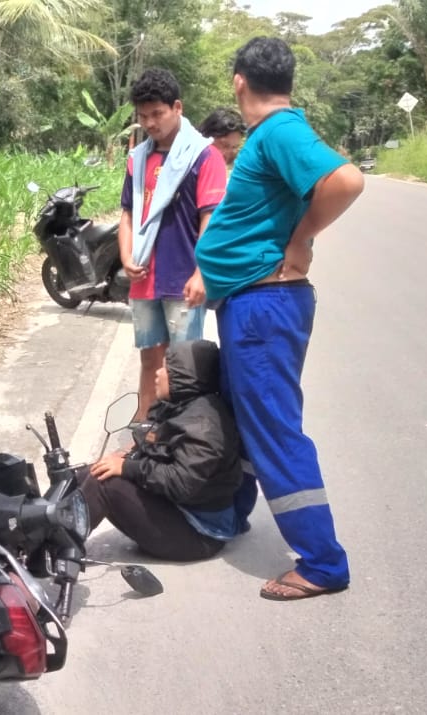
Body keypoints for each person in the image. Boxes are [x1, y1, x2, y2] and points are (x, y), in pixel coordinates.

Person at [192, 37, 366, 602]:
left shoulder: (279, 130)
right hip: (250, 303)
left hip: (264, 306)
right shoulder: (271, 134)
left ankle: (322, 563)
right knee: (247, 419)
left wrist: (301, 238)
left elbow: (347, 180)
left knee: (273, 428)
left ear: (239, 81)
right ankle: (232, 513)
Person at [120, 68, 230, 421]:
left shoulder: (203, 156)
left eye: (157, 114)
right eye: (143, 116)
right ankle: (144, 424)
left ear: (177, 107)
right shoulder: (138, 159)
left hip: (183, 276)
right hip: (144, 276)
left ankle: (176, 431)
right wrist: (125, 256)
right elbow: (128, 213)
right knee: (149, 357)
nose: (150, 123)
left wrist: (201, 273)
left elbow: (210, 219)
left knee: (180, 364)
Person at [79, 340, 246, 561]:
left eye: (166, 369)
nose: (158, 373)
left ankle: (51, 551)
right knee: (87, 472)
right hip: (178, 509)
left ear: (183, 377)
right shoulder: (176, 404)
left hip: (200, 532)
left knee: (103, 483)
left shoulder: (204, 426)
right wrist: (127, 455)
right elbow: (153, 440)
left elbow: (181, 483)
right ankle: (38, 529)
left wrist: (128, 467)